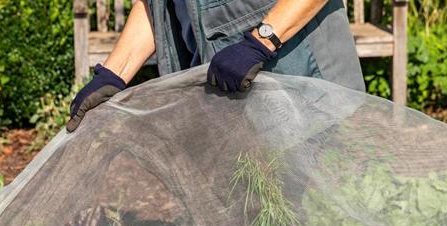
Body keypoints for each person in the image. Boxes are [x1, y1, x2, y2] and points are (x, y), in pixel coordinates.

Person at [66, 0, 364, 132]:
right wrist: (114, 74)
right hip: (223, 96)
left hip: (297, 82)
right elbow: (153, 5)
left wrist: (261, 41)